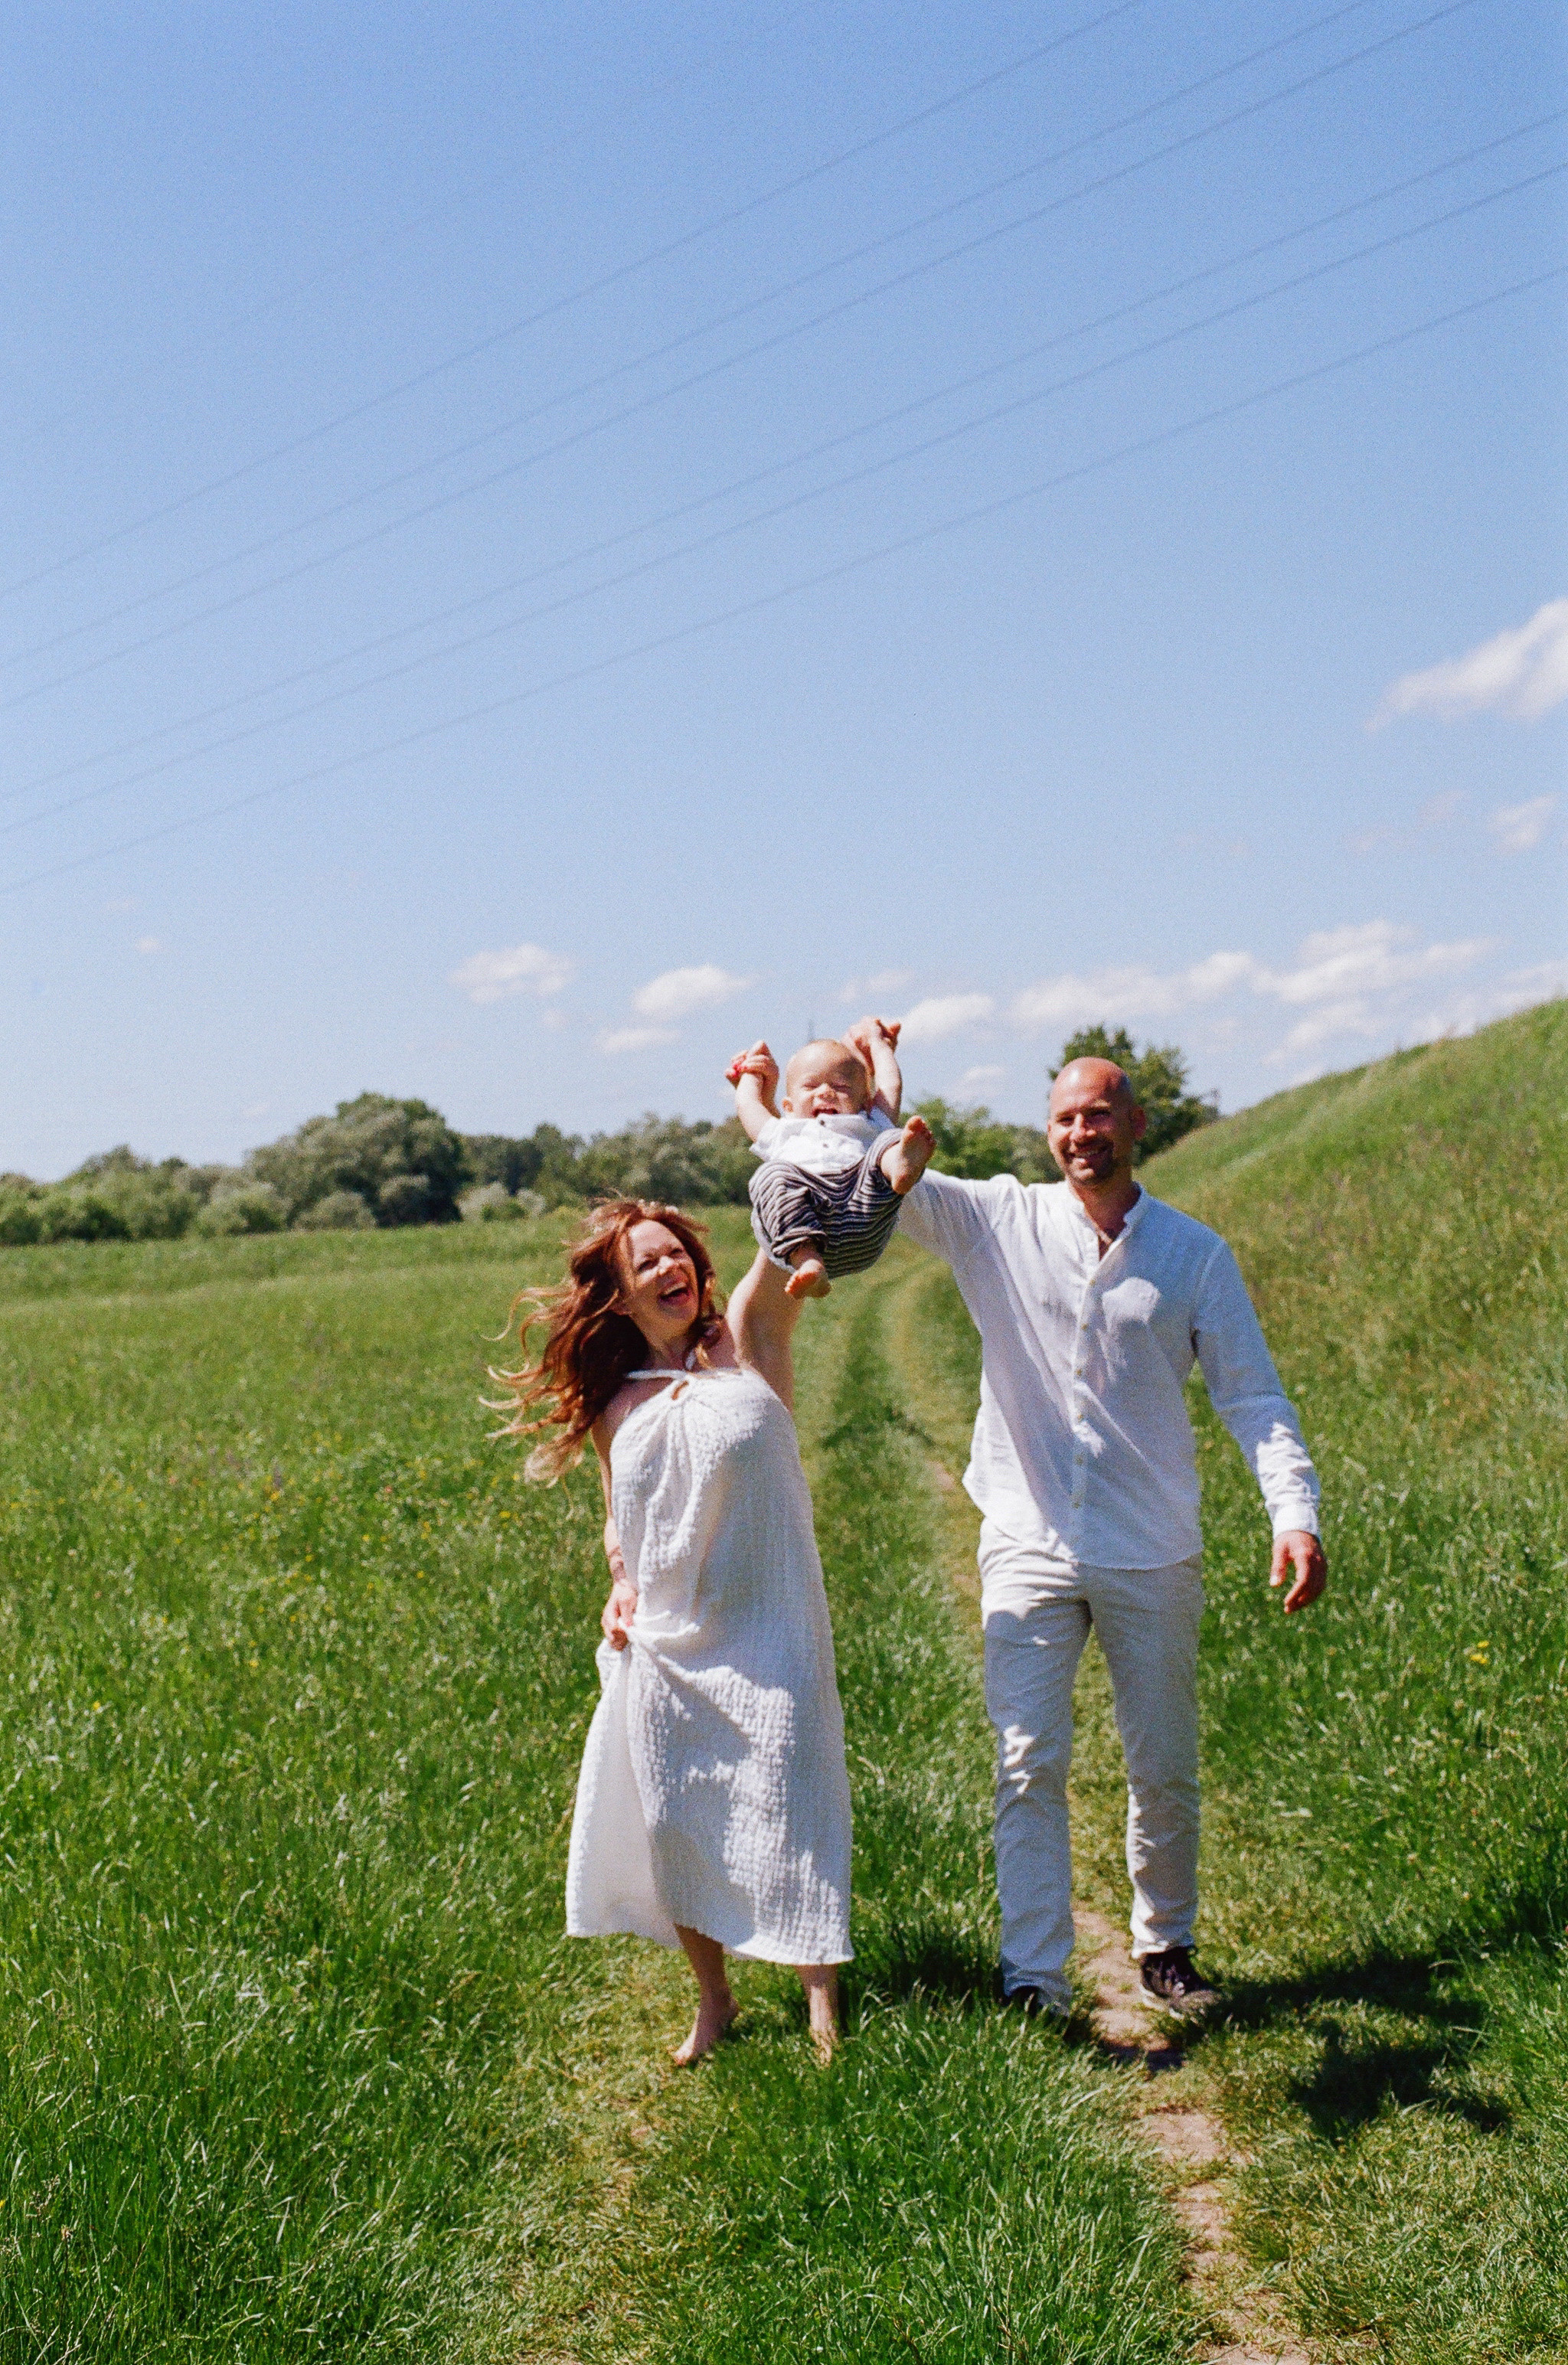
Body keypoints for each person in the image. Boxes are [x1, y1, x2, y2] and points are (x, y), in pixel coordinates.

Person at [850, 1019, 1327, 2017]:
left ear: (1136, 1124)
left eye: (1099, 1114)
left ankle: (1165, 1947)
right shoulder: (997, 1220)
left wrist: (1293, 1511)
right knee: (1027, 1759)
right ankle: (1034, 1976)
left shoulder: (1193, 1255)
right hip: (1027, 1538)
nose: (1081, 1132)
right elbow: (891, 1172)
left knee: (1163, 1762)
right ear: (1048, 1130)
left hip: (1150, 1545)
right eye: (1065, 1117)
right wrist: (870, 1083)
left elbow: (1251, 1394)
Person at [494, 1198, 850, 2063]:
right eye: (645, 1262)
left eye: (676, 1252)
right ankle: (715, 1998)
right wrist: (620, 1584)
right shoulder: (615, 1402)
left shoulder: (747, 1340)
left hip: (771, 1623)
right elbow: (620, 1516)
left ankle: (823, 2008)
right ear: (618, 1296)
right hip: (668, 1638)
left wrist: (823, 1144)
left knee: (794, 1799)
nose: (668, 1268)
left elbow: (783, 1242)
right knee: (677, 1816)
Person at [727, 1030, 935, 1298]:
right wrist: (751, 1073)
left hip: (863, 1212)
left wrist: (878, 1044)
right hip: (804, 1226)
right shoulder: (784, 1132)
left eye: (841, 1087)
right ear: (788, 1107)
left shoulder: (868, 1123)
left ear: (865, 1102)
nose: (825, 1091)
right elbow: (748, 1104)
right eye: (811, 1086)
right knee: (771, 1175)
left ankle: (900, 1167)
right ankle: (809, 1264)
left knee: (889, 1139)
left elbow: (890, 1084)